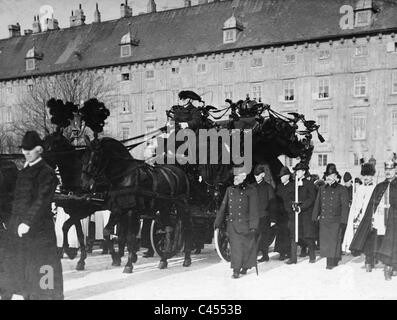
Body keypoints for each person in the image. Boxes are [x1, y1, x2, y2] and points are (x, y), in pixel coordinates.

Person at [1, 131, 63, 299]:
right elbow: (16, 200)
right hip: (19, 230)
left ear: (40, 150)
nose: (26, 153)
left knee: (44, 268)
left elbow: (41, 200)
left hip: (40, 232)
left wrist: (27, 222)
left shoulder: (46, 172)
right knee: (24, 269)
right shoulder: (23, 171)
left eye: (30, 149)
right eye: (24, 149)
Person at [350, 160, 397, 280]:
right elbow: (372, 205)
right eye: (386, 170)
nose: (388, 172)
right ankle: (370, 260)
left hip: (394, 220)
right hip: (380, 219)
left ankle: (392, 266)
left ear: (395, 170)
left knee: (393, 243)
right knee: (373, 239)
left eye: (391, 170)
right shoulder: (380, 186)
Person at [214, 167, 259, 279]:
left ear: (243, 177)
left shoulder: (251, 190)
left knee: (247, 247)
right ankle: (236, 269)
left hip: (246, 224)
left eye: (238, 176)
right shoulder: (230, 189)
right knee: (236, 248)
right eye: (235, 176)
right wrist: (217, 222)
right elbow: (224, 206)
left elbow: (254, 209)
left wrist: (253, 225)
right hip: (232, 225)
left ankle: (245, 266)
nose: (235, 178)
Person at [312, 163, 349, 270]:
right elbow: (318, 203)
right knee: (326, 241)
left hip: (336, 220)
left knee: (335, 241)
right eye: (328, 175)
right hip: (324, 220)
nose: (329, 177)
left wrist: (343, 221)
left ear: (336, 177)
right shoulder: (322, 188)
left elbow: (345, 207)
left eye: (332, 175)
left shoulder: (342, 189)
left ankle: (332, 260)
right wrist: (315, 217)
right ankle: (331, 259)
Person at [342, 163, 376, 260]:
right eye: (364, 175)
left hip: (369, 217)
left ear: (372, 176)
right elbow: (355, 203)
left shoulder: (375, 188)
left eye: (368, 175)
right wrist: (354, 215)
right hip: (358, 217)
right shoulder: (360, 188)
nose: (366, 177)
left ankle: (369, 259)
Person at [290, 163, 317, 263]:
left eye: (299, 171)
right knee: (296, 234)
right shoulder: (295, 183)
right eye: (296, 171)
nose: (297, 173)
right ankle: (294, 258)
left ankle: (312, 255)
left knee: (308, 235)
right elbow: (291, 196)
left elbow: (312, 199)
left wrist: (301, 207)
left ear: (304, 172)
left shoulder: (309, 184)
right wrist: (293, 204)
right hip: (296, 213)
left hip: (306, 212)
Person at [252, 164, 275, 262]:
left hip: (264, 216)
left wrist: (273, 219)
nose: (256, 177)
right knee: (254, 236)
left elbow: (272, 204)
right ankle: (262, 255)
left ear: (263, 175)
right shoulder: (251, 187)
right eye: (255, 175)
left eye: (258, 175)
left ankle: (263, 255)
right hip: (254, 217)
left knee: (263, 236)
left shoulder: (268, 187)